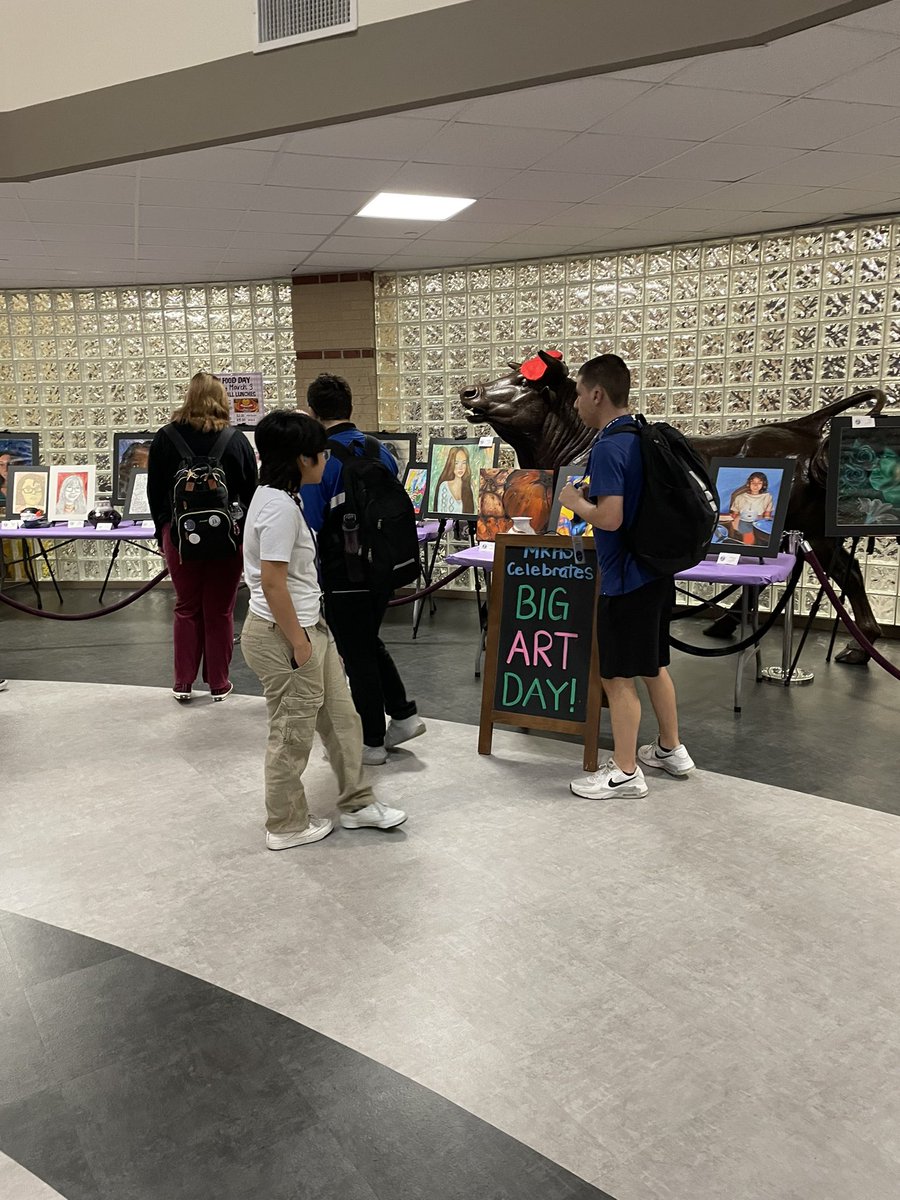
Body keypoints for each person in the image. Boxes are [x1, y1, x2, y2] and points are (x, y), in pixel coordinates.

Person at [240, 409, 407, 849]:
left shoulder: (282, 496)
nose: (327, 462)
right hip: (285, 635)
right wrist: (299, 643)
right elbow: (273, 582)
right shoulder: (276, 506)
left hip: (307, 628)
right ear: (301, 458)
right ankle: (286, 824)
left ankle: (357, 803)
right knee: (292, 733)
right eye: (320, 454)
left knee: (343, 719)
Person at [558, 354, 695, 800]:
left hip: (625, 580)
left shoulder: (609, 446)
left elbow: (611, 518)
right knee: (653, 665)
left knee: (617, 678)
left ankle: (624, 772)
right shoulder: (642, 436)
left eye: (578, 393)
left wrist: (574, 502)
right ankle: (671, 749)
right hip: (656, 572)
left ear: (597, 393)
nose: (576, 403)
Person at [302, 373, 424, 766]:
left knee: (356, 654)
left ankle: (371, 740)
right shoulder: (379, 449)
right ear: (350, 406)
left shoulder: (319, 455)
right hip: (384, 566)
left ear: (312, 412)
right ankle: (403, 714)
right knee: (366, 642)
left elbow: (312, 518)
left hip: (344, 570)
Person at [147, 371, 258, 703]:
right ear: (221, 399)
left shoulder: (165, 438)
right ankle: (218, 684)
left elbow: (155, 493)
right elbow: (250, 493)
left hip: (180, 537)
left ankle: (182, 683)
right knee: (220, 609)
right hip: (227, 537)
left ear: (188, 397)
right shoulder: (236, 440)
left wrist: (164, 530)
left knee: (186, 606)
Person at [723, 472, 773, 545]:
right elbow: (734, 515)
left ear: (763, 485)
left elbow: (767, 516)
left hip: (758, 524)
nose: (756, 486)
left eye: (759, 483)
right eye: (753, 483)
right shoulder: (740, 497)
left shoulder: (767, 497)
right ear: (749, 483)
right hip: (742, 522)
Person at [434, 446, 474, 515]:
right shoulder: (444, 486)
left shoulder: (469, 487)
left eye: (464, 463)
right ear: (451, 464)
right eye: (456, 463)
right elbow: (440, 515)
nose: (460, 467)